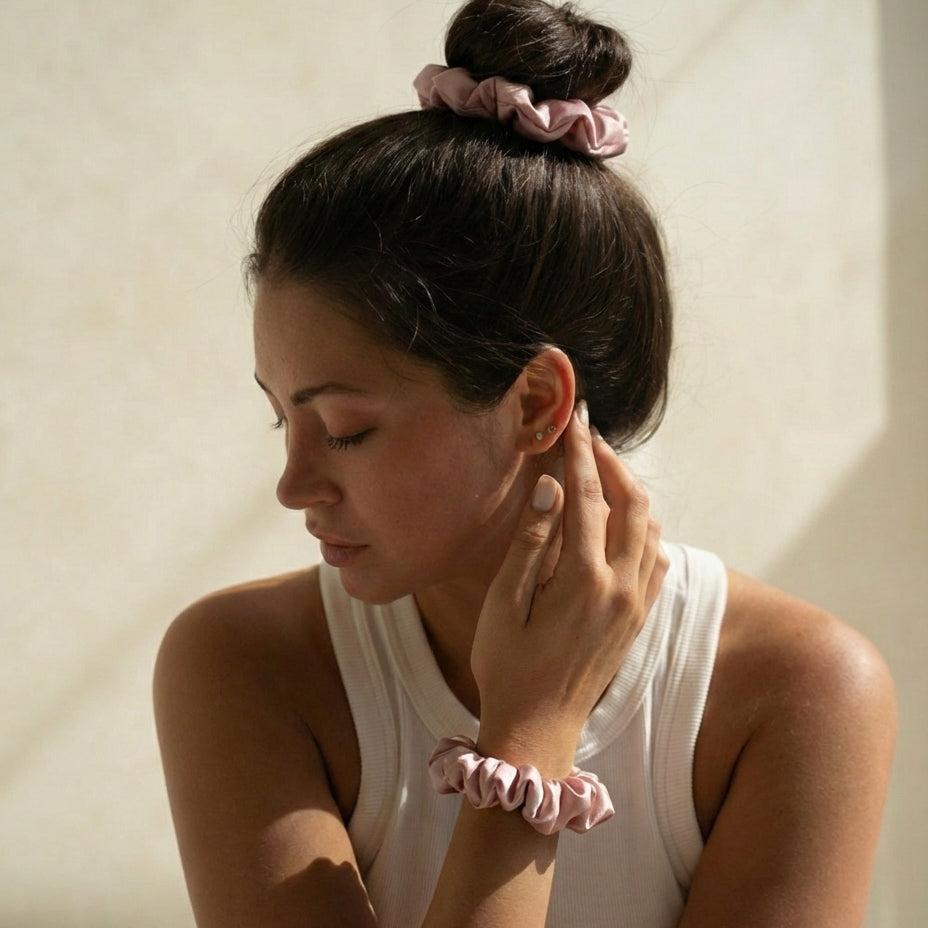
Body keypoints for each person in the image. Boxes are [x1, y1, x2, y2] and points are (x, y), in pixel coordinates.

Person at [152, 1, 898, 926]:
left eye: (343, 428)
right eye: (281, 420)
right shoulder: (246, 666)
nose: (292, 486)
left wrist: (535, 726)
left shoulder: (797, 692)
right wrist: (529, 734)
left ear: (537, 404)